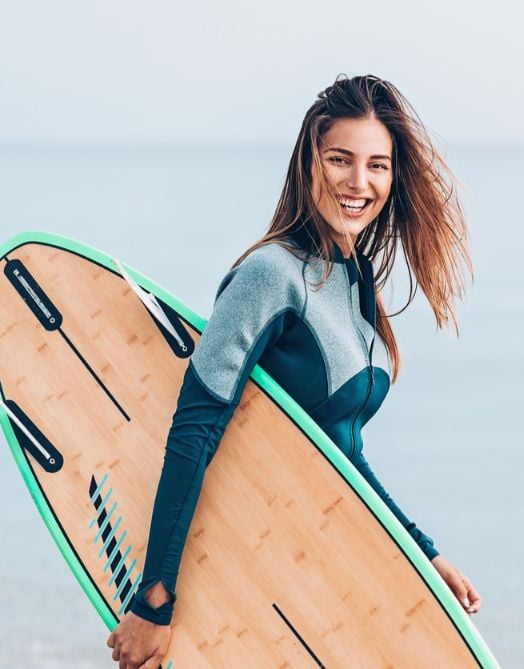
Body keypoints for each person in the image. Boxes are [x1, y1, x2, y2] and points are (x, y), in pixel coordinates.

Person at [106, 74, 481, 669]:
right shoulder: (269, 275)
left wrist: (420, 552)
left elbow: (342, 454)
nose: (360, 183)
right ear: (309, 163)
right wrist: (154, 601)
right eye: (341, 159)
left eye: (377, 165)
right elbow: (195, 428)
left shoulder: (354, 281)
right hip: (244, 563)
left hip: (308, 568)